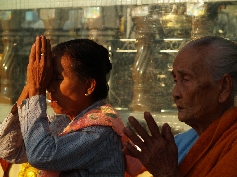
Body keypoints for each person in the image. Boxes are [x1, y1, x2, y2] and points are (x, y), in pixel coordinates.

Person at [0, 36, 143, 177]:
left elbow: (41, 155)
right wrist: (31, 85)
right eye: (47, 77)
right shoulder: (64, 122)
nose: (49, 87)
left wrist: (37, 88)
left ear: (88, 86)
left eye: (57, 79)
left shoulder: (100, 132)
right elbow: (9, 149)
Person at [122, 36, 237, 177]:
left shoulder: (231, 143)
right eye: (176, 80)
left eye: (186, 80)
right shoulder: (184, 142)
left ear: (224, 87)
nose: (175, 93)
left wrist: (167, 172)